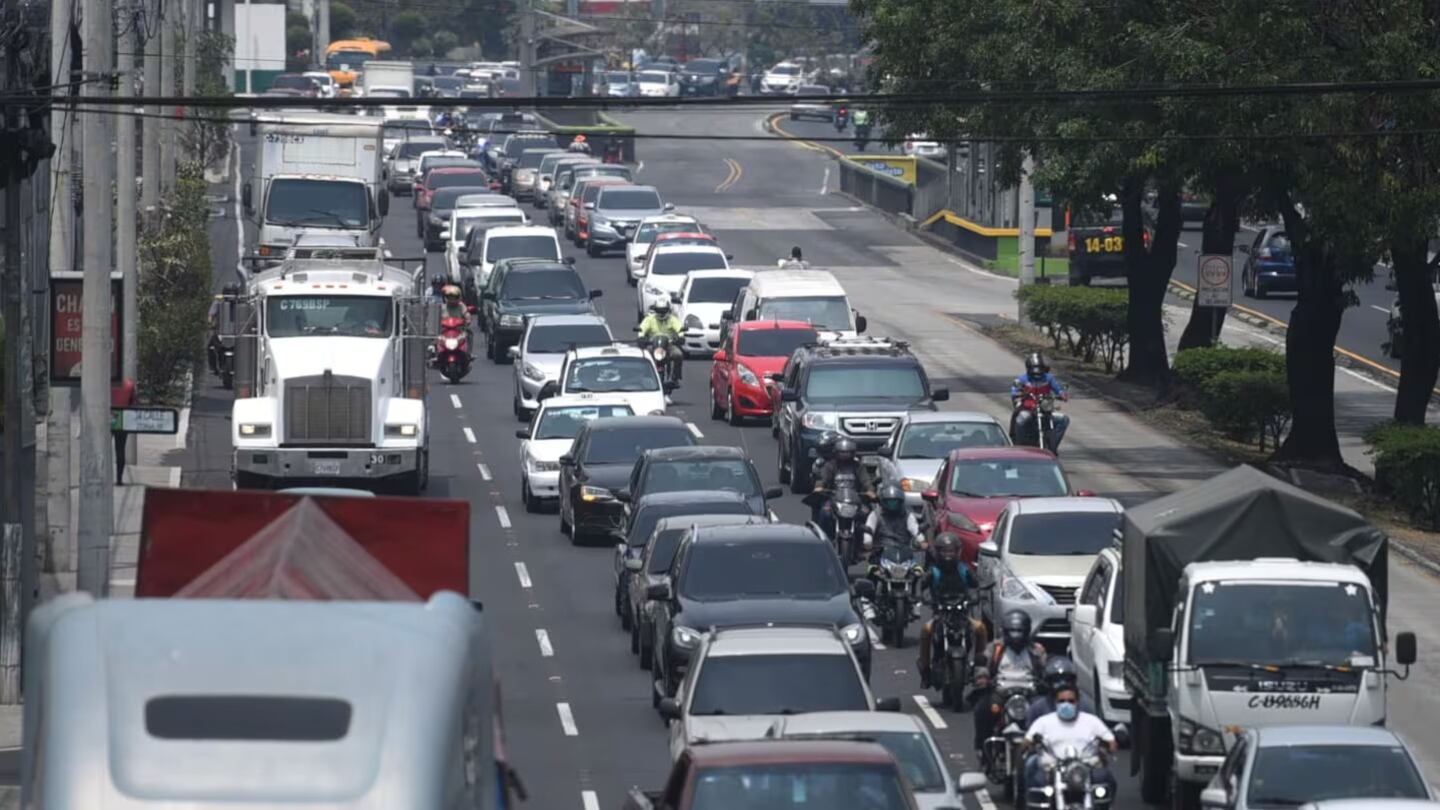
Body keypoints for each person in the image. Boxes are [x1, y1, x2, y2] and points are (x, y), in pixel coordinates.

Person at [1023, 684, 1117, 803]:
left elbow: (1110, 740)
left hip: (1086, 769)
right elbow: (1027, 741)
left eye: (1070, 701)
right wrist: (1030, 743)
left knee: (1105, 778)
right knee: (1036, 781)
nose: (1066, 704)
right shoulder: (1044, 722)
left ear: (1077, 702)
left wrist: (1106, 747)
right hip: (1052, 769)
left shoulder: (1092, 721)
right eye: (1061, 701)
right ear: (1055, 703)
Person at [973, 610, 1046, 756]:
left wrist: (1048, 681)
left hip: (1030, 694)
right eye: (1013, 631)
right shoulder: (995, 648)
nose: (1016, 636)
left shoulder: (1036, 650)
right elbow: (983, 665)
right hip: (1001, 692)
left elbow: (1045, 670)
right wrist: (982, 678)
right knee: (983, 709)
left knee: (1045, 713)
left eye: (1020, 631)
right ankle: (983, 747)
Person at [916, 532, 982, 689]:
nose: (948, 555)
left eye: (951, 551)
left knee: (981, 629)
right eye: (944, 551)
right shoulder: (934, 572)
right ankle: (925, 670)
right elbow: (921, 585)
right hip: (941, 615)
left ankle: (981, 667)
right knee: (926, 630)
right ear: (938, 552)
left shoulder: (963, 570)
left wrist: (978, 594)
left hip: (962, 614)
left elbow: (976, 583)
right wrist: (921, 596)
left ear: (957, 552)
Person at [812, 438, 875, 538]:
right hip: (834, 499)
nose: (845, 455)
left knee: (867, 513)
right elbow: (823, 479)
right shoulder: (830, 466)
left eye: (848, 453)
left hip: (855, 500)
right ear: (836, 453)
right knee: (825, 514)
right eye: (842, 453)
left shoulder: (858, 466)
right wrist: (819, 487)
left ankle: (863, 541)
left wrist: (870, 490)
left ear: (853, 453)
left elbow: (866, 480)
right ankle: (823, 539)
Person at [1010, 351, 1071, 451]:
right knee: (1021, 419)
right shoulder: (1021, 379)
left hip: (1045, 408)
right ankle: (1019, 446)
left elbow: (1058, 388)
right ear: (1028, 368)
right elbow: (1014, 391)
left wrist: (1062, 394)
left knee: (1064, 420)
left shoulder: (1049, 378)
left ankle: (1052, 447)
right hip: (1028, 409)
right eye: (1034, 369)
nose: (1037, 372)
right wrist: (1019, 394)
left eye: (1039, 368)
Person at [1025, 656, 1097, 727]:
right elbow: (1030, 733)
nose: (1062, 684)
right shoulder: (1037, 709)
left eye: (1067, 679)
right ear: (1048, 682)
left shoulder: (1086, 705)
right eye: (1056, 680)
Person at [862, 483, 923, 560]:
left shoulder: (908, 515)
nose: (892, 505)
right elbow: (869, 529)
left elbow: (914, 529)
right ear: (883, 501)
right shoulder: (875, 515)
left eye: (895, 502)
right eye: (890, 502)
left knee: (918, 571)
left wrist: (921, 541)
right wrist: (868, 542)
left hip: (905, 555)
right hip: (880, 556)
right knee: (874, 571)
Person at [638, 298, 684, 385]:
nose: (661, 313)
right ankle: (645, 376)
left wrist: (681, 337)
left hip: (669, 345)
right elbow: (642, 328)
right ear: (655, 310)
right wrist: (641, 337)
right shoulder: (649, 319)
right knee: (644, 356)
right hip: (652, 344)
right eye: (659, 310)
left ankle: (675, 376)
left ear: (668, 310)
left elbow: (679, 328)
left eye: (663, 310)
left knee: (678, 355)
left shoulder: (672, 319)